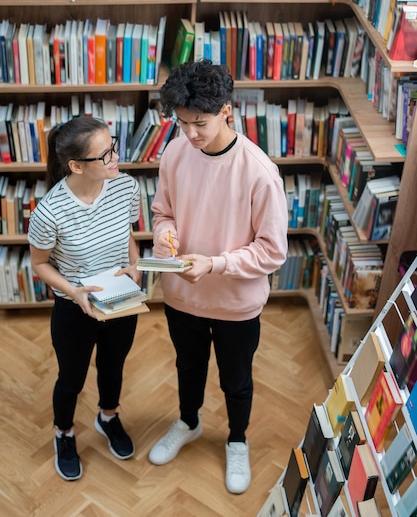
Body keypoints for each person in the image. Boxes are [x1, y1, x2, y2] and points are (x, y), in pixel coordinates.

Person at [148, 60, 288, 494]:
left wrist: (215, 263)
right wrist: (166, 235)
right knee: (187, 367)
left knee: (236, 379)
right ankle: (189, 422)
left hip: (234, 303)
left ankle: (237, 439)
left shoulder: (259, 172)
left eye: (200, 124)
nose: (190, 134)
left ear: (227, 110)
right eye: (182, 122)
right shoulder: (174, 152)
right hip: (181, 296)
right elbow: (162, 213)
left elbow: (272, 251)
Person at [28, 116, 141, 481]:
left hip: (121, 298)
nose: (115, 157)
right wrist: (73, 291)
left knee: (113, 367)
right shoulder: (49, 211)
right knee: (71, 379)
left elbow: (127, 234)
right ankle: (64, 432)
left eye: (114, 146)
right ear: (76, 166)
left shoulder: (126, 187)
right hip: (75, 307)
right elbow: (39, 264)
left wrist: (135, 266)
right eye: (104, 154)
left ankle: (108, 416)